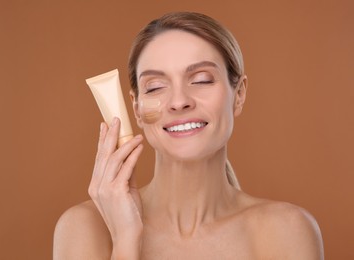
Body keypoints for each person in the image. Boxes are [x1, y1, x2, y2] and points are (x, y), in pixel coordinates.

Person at [53, 12, 324, 259]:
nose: (179, 101)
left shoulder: (287, 231)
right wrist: (125, 239)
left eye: (202, 79)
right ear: (136, 109)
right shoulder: (84, 227)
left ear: (238, 95)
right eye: (156, 87)